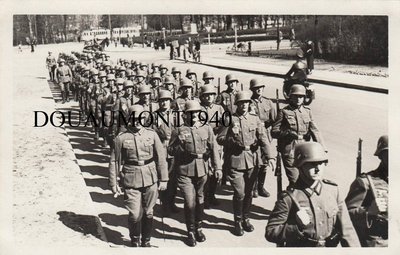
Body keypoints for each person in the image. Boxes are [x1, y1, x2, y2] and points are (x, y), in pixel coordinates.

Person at [265, 142, 360, 247]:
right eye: (312, 164)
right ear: (300, 166)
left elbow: (347, 229)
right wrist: (296, 227)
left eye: (321, 163)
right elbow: (271, 232)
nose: (318, 168)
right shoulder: (289, 198)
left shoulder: (333, 191)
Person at [109, 105, 168, 247]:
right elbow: (114, 161)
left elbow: (161, 158)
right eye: (134, 118)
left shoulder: (152, 134)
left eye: (140, 118)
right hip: (131, 178)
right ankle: (135, 238)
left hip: (150, 177)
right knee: (135, 214)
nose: (137, 121)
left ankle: (146, 241)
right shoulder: (121, 138)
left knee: (148, 212)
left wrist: (164, 178)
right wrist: (113, 183)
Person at [217, 91, 274, 236]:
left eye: (247, 103)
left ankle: (246, 219)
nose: (244, 105)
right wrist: (231, 141)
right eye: (241, 103)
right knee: (240, 193)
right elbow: (220, 138)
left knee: (249, 193)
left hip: (252, 161)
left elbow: (263, 139)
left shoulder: (255, 119)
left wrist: (270, 156)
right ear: (236, 104)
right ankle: (237, 221)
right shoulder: (229, 119)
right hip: (235, 161)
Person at [168, 100, 223, 247]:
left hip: (202, 170)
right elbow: (170, 151)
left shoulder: (206, 129)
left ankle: (199, 227)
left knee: (200, 201)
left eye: (197, 113)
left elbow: (214, 149)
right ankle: (190, 231)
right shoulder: (179, 130)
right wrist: (178, 143)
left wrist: (218, 168)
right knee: (189, 201)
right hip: (184, 171)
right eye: (190, 113)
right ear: (185, 115)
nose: (194, 116)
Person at [271, 84, 325, 186]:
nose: (298, 99)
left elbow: (315, 130)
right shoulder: (284, 112)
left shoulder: (307, 112)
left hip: (305, 150)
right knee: (295, 180)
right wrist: (286, 134)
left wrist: (322, 149)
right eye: (295, 96)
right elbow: (274, 132)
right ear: (290, 97)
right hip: (290, 149)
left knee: (306, 179)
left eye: (301, 96)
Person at [345, 135, 388, 247]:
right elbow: (345, 216)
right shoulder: (365, 182)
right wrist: (369, 212)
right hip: (379, 245)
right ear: (381, 156)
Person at [153, 90, 180, 216]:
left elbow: (180, 130)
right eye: (162, 100)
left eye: (167, 100)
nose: (164, 103)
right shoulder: (154, 115)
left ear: (170, 101)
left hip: (174, 148)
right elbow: (151, 132)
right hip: (161, 149)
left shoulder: (176, 115)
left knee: (174, 177)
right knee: (163, 176)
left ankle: (171, 202)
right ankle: (164, 204)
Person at [249, 79, 277, 198]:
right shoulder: (248, 103)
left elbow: (275, 120)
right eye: (256, 88)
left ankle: (261, 187)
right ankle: (253, 187)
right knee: (255, 163)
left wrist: (268, 125)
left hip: (266, 135)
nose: (259, 89)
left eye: (261, 87)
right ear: (252, 90)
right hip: (253, 136)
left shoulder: (268, 103)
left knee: (264, 163)